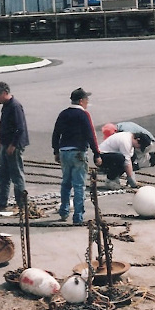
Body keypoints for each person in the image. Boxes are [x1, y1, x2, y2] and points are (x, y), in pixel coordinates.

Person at [51, 87, 102, 224]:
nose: (87, 102)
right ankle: (78, 216)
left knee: (66, 183)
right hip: (78, 151)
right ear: (81, 101)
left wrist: (56, 151)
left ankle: (64, 211)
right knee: (79, 185)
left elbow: (56, 133)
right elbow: (90, 135)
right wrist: (96, 154)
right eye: (86, 100)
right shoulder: (84, 115)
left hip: (64, 151)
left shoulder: (63, 114)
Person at [0, 81, 29, 211]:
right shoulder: (6, 106)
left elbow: (20, 128)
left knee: (17, 174)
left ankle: (21, 203)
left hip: (14, 146)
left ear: (5, 93)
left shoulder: (15, 106)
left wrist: (13, 145)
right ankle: (2, 201)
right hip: (5, 144)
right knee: (3, 174)